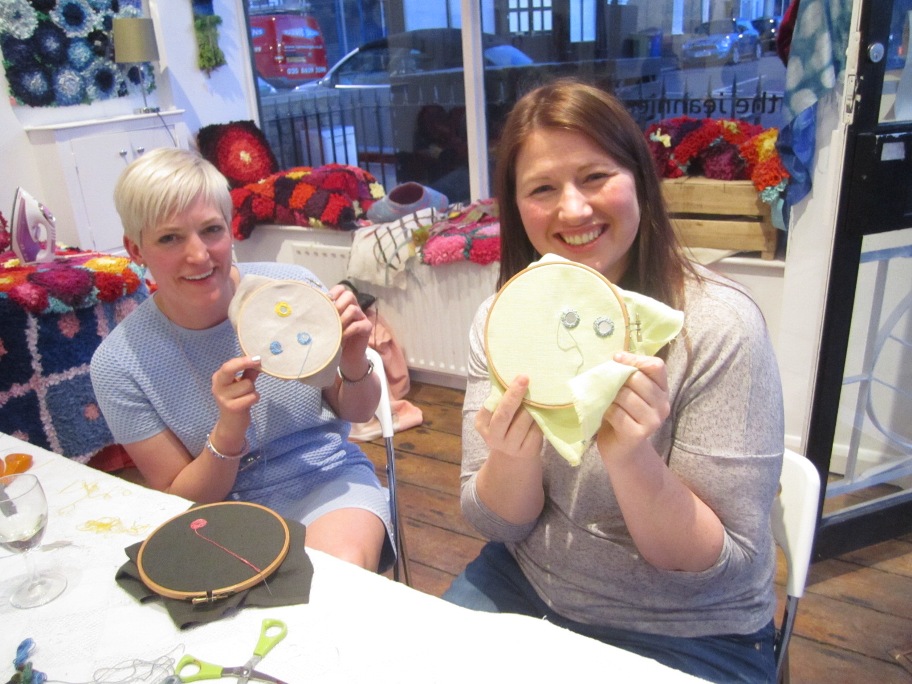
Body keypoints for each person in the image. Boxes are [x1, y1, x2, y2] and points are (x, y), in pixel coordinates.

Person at [441, 79, 784, 683]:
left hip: (689, 630)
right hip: (525, 585)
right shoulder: (503, 323)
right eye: (542, 189)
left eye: (595, 177)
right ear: (516, 209)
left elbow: (724, 566)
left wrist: (630, 457)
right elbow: (497, 524)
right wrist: (511, 459)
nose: (573, 210)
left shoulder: (718, 327)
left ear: (640, 182)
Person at [90, 148, 392, 572]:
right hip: (218, 515)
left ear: (230, 228)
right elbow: (181, 499)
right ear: (135, 249)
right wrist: (229, 430)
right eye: (169, 238)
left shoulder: (292, 290)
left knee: (334, 575)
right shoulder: (119, 364)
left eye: (211, 230)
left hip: (323, 477)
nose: (199, 255)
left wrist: (355, 360)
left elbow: (356, 412)